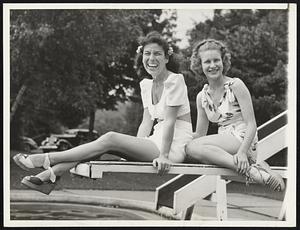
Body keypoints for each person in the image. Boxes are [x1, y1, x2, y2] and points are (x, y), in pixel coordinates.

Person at [13, 31, 193, 195]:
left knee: (110, 138)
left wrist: (164, 156)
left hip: (173, 145)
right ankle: (53, 174)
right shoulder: (147, 85)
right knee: (104, 144)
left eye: (157, 54)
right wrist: (137, 145)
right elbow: (146, 123)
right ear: (142, 56)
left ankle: (46, 159)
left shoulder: (175, 80)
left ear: (167, 58)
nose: (151, 58)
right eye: (147, 53)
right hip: (155, 141)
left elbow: (169, 122)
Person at [186, 39, 285, 191]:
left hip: (243, 140)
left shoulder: (236, 85)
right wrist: (176, 138)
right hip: (225, 146)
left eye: (216, 60)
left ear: (223, 61)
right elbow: (199, 134)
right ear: (200, 65)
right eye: (207, 62)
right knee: (190, 146)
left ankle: (251, 168)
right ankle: (255, 170)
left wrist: (242, 153)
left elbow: (252, 124)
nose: (213, 65)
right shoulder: (202, 97)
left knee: (193, 147)